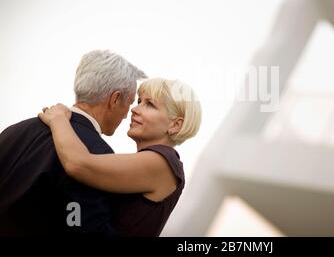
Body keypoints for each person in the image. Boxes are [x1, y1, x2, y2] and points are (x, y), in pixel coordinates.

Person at [0, 50, 146, 236]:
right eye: (130, 103)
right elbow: (85, 228)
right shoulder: (97, 153)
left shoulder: (14, 131)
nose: (127, 114)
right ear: (115, 99)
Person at [38, 78, 202, 236]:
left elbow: (79, 165)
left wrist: (58, 119)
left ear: (175, 125)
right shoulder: (159, 162)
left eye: (150, 105)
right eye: (139, 101)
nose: (134, 109)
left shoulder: (163, 162)